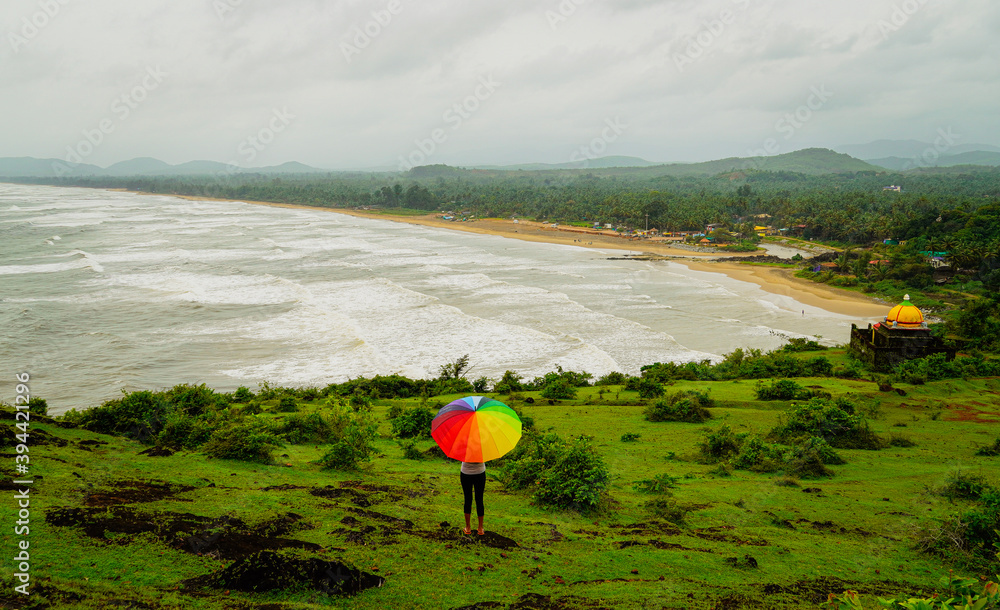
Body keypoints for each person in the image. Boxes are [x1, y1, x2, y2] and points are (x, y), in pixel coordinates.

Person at [460, 461, 486, 535]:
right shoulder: (481, 448)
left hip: (466, 472)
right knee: (479, 499)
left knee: (467, 499)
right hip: (480, 472)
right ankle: (480, 528)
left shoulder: (464, 448)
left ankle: (468, 528)